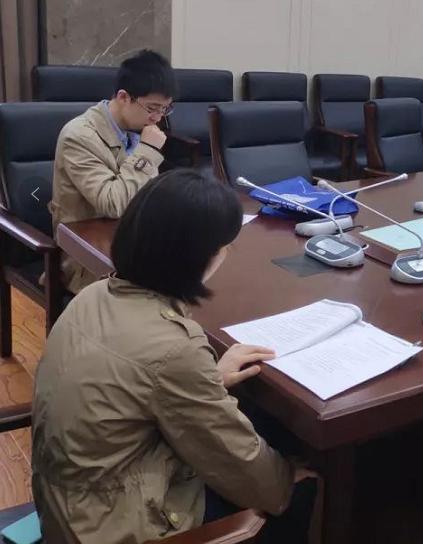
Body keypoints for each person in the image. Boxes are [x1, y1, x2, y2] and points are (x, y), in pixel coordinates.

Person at [32, 170, 316, 543]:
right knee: (302, 491)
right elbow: (241, 463)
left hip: (67, 506)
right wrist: (289, 480)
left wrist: (207, 380)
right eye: (224, 246)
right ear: (200, 257)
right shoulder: (174, 347)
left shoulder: (94, 294)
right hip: (115, 527)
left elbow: (133, 383)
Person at [51, 49, 175, 294]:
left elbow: (146, 192)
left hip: (131, 236)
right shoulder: (79, 136)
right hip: (86, 252)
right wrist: (147, 151)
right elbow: (113, 204)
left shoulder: (134, 131)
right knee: (163, 288)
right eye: (152, 108)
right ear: (123, 97)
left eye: (165, 109)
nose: (157, 118)